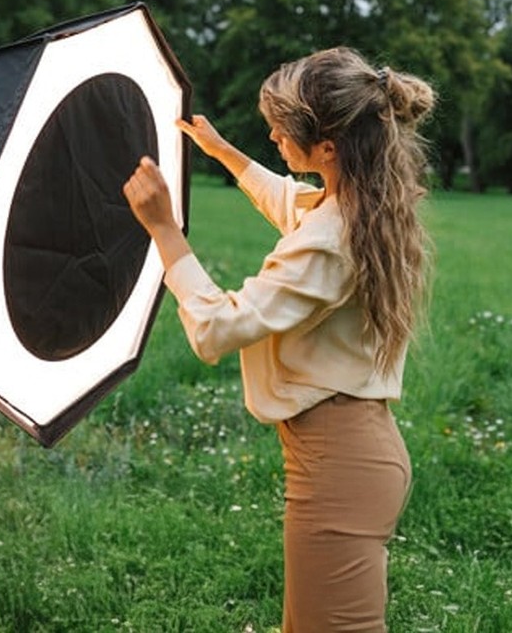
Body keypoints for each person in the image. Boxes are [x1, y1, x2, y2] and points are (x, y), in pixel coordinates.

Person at [122, 46, 436, 633]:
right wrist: (222, 152)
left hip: (340, 466)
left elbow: (218, 327)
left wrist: (164, 229)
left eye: (281, 129)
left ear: (327, 149)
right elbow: (288, 200)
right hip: (348, 455)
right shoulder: (360, 203)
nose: (270, 135)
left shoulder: (333, 236)